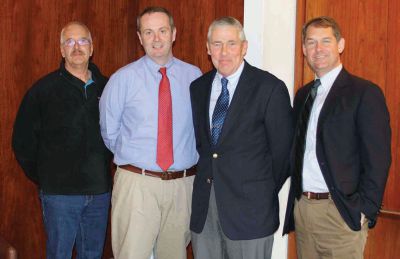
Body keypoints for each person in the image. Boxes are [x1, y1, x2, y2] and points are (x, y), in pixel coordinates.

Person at [283, 16, 391, 259]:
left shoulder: (364, 93)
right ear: (303, 50)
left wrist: (365, 210)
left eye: (325, 41)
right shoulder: (302, 96)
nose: (317, 49)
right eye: (311, 43)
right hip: (304, 211)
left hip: (340, 213)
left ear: (340, 45)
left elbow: (378, 158)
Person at [99, 6, 202, 259]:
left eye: (162, 31)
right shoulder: (122, 79)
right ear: (140, 37)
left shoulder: (195, 77)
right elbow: (109, 133)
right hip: (137, 184)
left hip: (182, 185)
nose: (156, 38)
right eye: (149, 32)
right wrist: (140, 159)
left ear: (174, 33)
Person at [189, 16, 293, 259]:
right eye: (216, 44)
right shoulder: (198, 88)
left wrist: (258, 190)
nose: (224, 52)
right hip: (206, 212)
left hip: (251, 213)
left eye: (231, 44)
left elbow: (283, 155)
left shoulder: (269, 88)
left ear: (244, 47)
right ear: (207, 48)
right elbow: (204, 146)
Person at [12, 21, 111, 259]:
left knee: (93, 255)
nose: (77, 47)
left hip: (99, 193)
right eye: (70, 42)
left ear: (92, 47)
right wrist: (47, 177)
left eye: (83, 41)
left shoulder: (108, 88)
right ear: (61, 50)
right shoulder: (43, 90)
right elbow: (22, 141)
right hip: (59, 196)